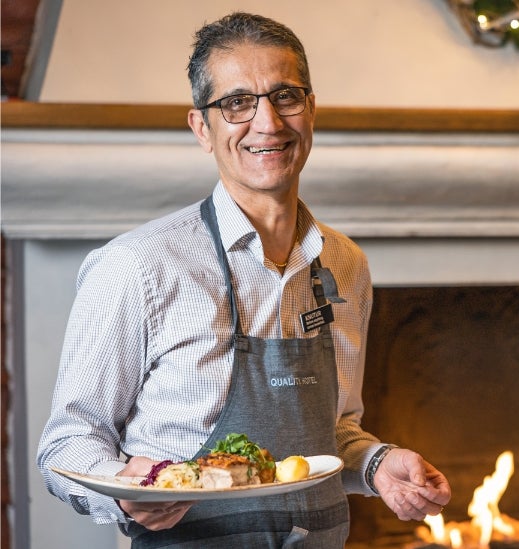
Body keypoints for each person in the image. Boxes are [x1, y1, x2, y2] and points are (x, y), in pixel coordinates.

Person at [36, 11, 451, 548]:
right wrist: (123, 491)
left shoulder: (347, 265)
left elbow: (331, 432)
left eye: (286, 97)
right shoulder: (137, 265)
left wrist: (377, 464)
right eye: (236, 103)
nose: (268, 123)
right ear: (201, 128)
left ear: (311, 111)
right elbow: (67, 443)